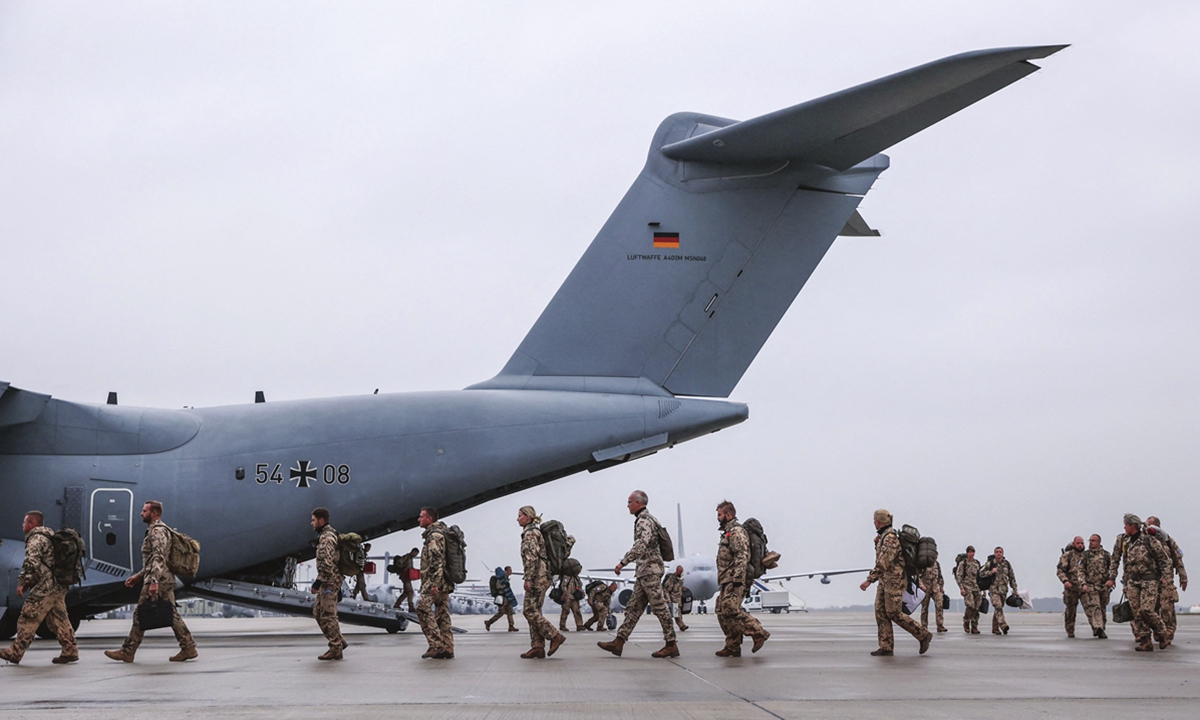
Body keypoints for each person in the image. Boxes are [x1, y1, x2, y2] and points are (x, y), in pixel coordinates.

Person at [104, 501, 197, 663]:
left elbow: (159, 557)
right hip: (162, 577)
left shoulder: (157, 532)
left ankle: (128, 651)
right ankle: (188, 647)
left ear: (154, 513)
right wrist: (139, 576)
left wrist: (154, 581)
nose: (141, 513)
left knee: (140, 613)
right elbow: (153, 560)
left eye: (144, 510)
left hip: (158, 579)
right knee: (171, 614)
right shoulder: (158, 530)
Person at [598, 490, 678, 659]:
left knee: (660, 608)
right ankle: (618, 642)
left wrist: (623, 562)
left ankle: (671, 644)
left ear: (638, 503)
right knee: (633, 608)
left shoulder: (644, 520)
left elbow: (641, 545)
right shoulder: (648, 519)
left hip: (650, 571)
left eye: (629, 502)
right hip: (644, 571)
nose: (627, 505)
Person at [0, 511, 78, 665]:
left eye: (25, 522)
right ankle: (70, 650)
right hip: (58, 586)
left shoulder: (35, 540)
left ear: (32, 524)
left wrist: (23, 582)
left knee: (28, 616)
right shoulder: (50, 536)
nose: (23, 525)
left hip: (46, 587)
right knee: (59, 619)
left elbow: (31, 563)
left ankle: (15, 652)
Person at [860, 509, 931, 656]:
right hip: (885, 580)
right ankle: (886, 646)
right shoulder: (883, 536)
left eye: (874, 520)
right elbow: (883, 557)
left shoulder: (890, 538)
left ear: (878, 521)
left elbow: (884, 562)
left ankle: (922, 634)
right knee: (881, 612)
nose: (874, 522)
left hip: (894, 581)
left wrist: (869, 580)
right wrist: (876, 544)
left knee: (894, 613)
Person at [1107, 513, 1172, 651]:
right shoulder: (1125, 541)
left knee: (1147, 610)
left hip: (1149, 580)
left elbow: (1164, 560)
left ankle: (1162, 632)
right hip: (1132, 581)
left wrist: (1165, 577)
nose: (1124, 527)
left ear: (1132, 525)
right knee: (1136, 612)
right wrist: (1112, 577)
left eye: (1126, 525)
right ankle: (1145, 641)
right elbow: (1116, 559)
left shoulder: (1149, 540)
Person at [714, 501, 768, 657]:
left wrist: (738, 579)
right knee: (721, 610)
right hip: (727, 579)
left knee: (731, 609)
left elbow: (741, 556)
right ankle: (732, 645)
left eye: (720, 514)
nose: (718, 518)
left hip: (735, 579)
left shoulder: (736, 532)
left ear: (728, 515)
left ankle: (758, 632)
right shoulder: (728, 532)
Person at [518, 506, 565, 658]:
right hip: (543, 576)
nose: (517, 519)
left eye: (520, 516)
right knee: (535, 611)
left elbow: (531, 558)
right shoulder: (535, 532)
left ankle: (554, 635)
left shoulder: (530, 534)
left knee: (529, 610)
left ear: (528, 517)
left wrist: (528, 579)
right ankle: (537, 646)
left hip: (538, 577)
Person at [416, 507, 455, 659]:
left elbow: (436, 561)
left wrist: (434, 584)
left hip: (434, 581)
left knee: (422, 609)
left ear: (429, 519)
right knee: (442, 614)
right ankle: (448, 647)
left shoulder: (434, 536)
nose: (418, 519)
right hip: (444, 581)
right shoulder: (442, 532)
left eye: (421, 517)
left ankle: (436, 645)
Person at [1146, 516, 1187, 646]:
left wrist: (1183, 577)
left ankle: (1168, 634)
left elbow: (1178, 559)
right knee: (1151, 608)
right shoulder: (1145, 541)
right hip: (1150, 580)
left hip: (1166, 580)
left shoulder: (1168, 541)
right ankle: (1158, 631)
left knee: (1167, 608)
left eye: (1151, 525)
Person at [1056, 536, 1104, 639]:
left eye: (1082, 543)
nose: (1080, 545)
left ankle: (1097, 628)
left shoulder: (1086, 556)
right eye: (1078, 543)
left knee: (1091, 609)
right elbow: (1060, 571)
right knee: (1070, 611)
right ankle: (1070, 630)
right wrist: (1065, 581)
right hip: (1071, 588)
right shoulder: (1067, 556)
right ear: (1074, 544)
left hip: (1084, 587)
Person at [979, 546, 1018, 635]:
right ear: (994, 553)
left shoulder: (1006, 564)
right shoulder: (990, 564)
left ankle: (995, 628)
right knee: (998, 606)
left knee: (998, 609)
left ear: (1003, 554)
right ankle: (1003, 625)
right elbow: (981, 573)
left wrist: (1014, 588)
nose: (998, 553)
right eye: (997, 552)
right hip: (993, 590)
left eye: (1000, 552)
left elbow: (1012, 577)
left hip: (1003, 590)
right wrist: (991, 572)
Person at [1083, 534, 1112, 627]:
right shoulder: (1085, 555)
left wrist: (1111, 579)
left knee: (1102, 607)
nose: (1091, 542)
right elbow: (1080, 570)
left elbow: (1112, 568)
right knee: (1095, 606)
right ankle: (1097, 627)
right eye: (1090, 540)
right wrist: (1083, 583)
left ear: (1099, 542)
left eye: (1093, 540)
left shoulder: (1106, 555)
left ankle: (1102, 627)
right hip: (1091, 586)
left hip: (1104, 586)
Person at [954, 546, 982, 634]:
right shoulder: (963, 563)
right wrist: (961, 588)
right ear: (967, 553)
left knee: (977, 607)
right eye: (969, 552)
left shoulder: (977, 563)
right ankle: (966, 621)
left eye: (972, 552)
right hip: (967, 587)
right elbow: (959, 576)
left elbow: (980, 576)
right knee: (970, 605)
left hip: (976, 587)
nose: (971, 553)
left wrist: (983, 589)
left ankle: (974, 626)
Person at [918, 551, 947, 633]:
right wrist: (922, 586)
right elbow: (918, 577)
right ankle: (924, 626)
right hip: (926, 588)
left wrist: (941, 587)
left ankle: (940, 625)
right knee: (924, 608)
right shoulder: (924, 564)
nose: (936, 556)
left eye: (936, 555)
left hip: (935, 588)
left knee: (939, 605)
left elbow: (940, 577)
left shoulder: (937, 564)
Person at [485, 566, 519, 632]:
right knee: (501, 612)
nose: (511, 571)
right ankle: (489, 622)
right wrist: (504, 585)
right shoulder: (501, 578)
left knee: (510, 611)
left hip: (506, 597)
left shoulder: (504, 577)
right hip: (502, 597)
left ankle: (511, 626)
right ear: (506, 571)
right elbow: (499, 586)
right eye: (510, 570)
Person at [662, 565, 690, 632]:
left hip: (678, 600)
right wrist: (668, 599)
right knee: (676, 614)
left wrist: (683, 588)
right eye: (680, 571)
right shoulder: (672, 579)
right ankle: (682, 625)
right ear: (677, 571)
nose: (680, 573)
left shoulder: (679, 579)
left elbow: (678, 587)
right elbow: (666, 590)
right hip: (673, 600)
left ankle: (680, 626)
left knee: (678, 614)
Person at [391, 548, 419, 612]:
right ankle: (411, 607)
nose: (415, 555)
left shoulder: (410, 558)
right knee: (410, 592)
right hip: (405, 577)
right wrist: (404, 569)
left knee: (406, 592)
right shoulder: (407, 557)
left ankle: (397, 605)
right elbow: (399, 563)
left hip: (407, 577)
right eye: (415, 553)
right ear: (413, 552)